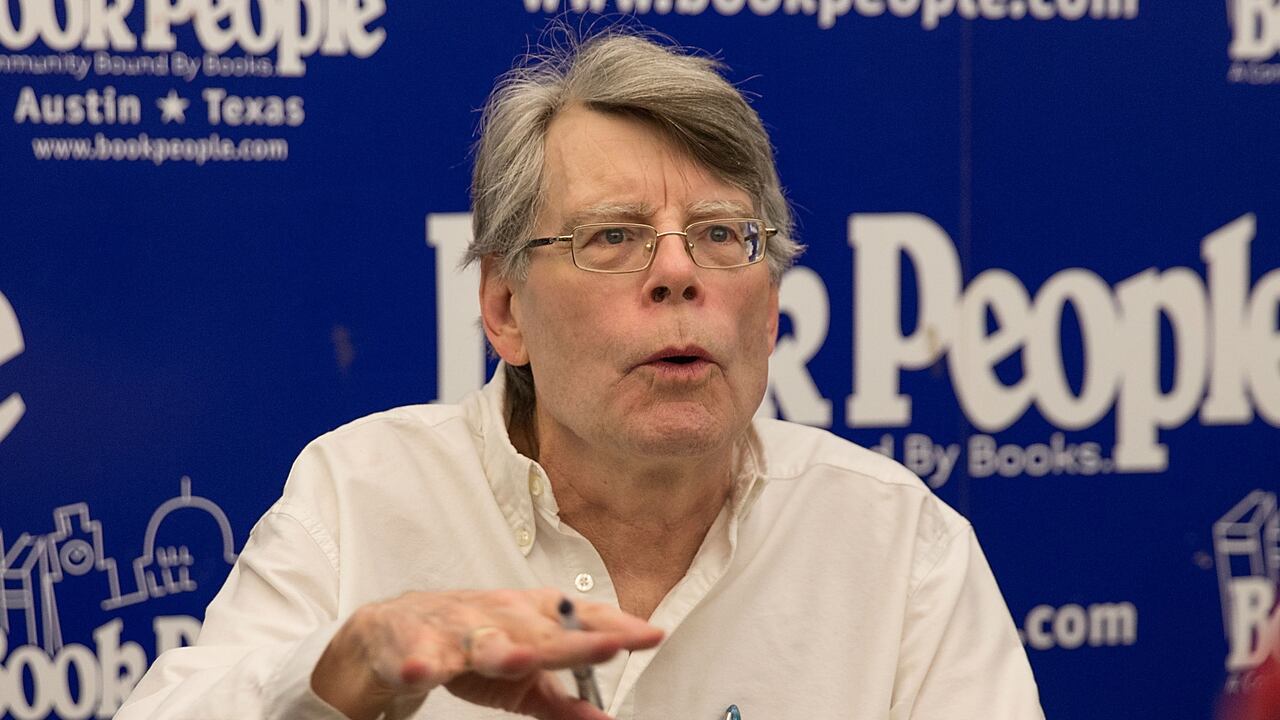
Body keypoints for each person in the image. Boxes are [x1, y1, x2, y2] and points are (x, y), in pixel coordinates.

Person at [117, 29, 1044, 720]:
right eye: (615, 237)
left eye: (723, 235)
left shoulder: (898, 545)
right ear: (506, 311)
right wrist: (342, 667)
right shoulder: (361, 496)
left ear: (770, 309)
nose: (679, 272)